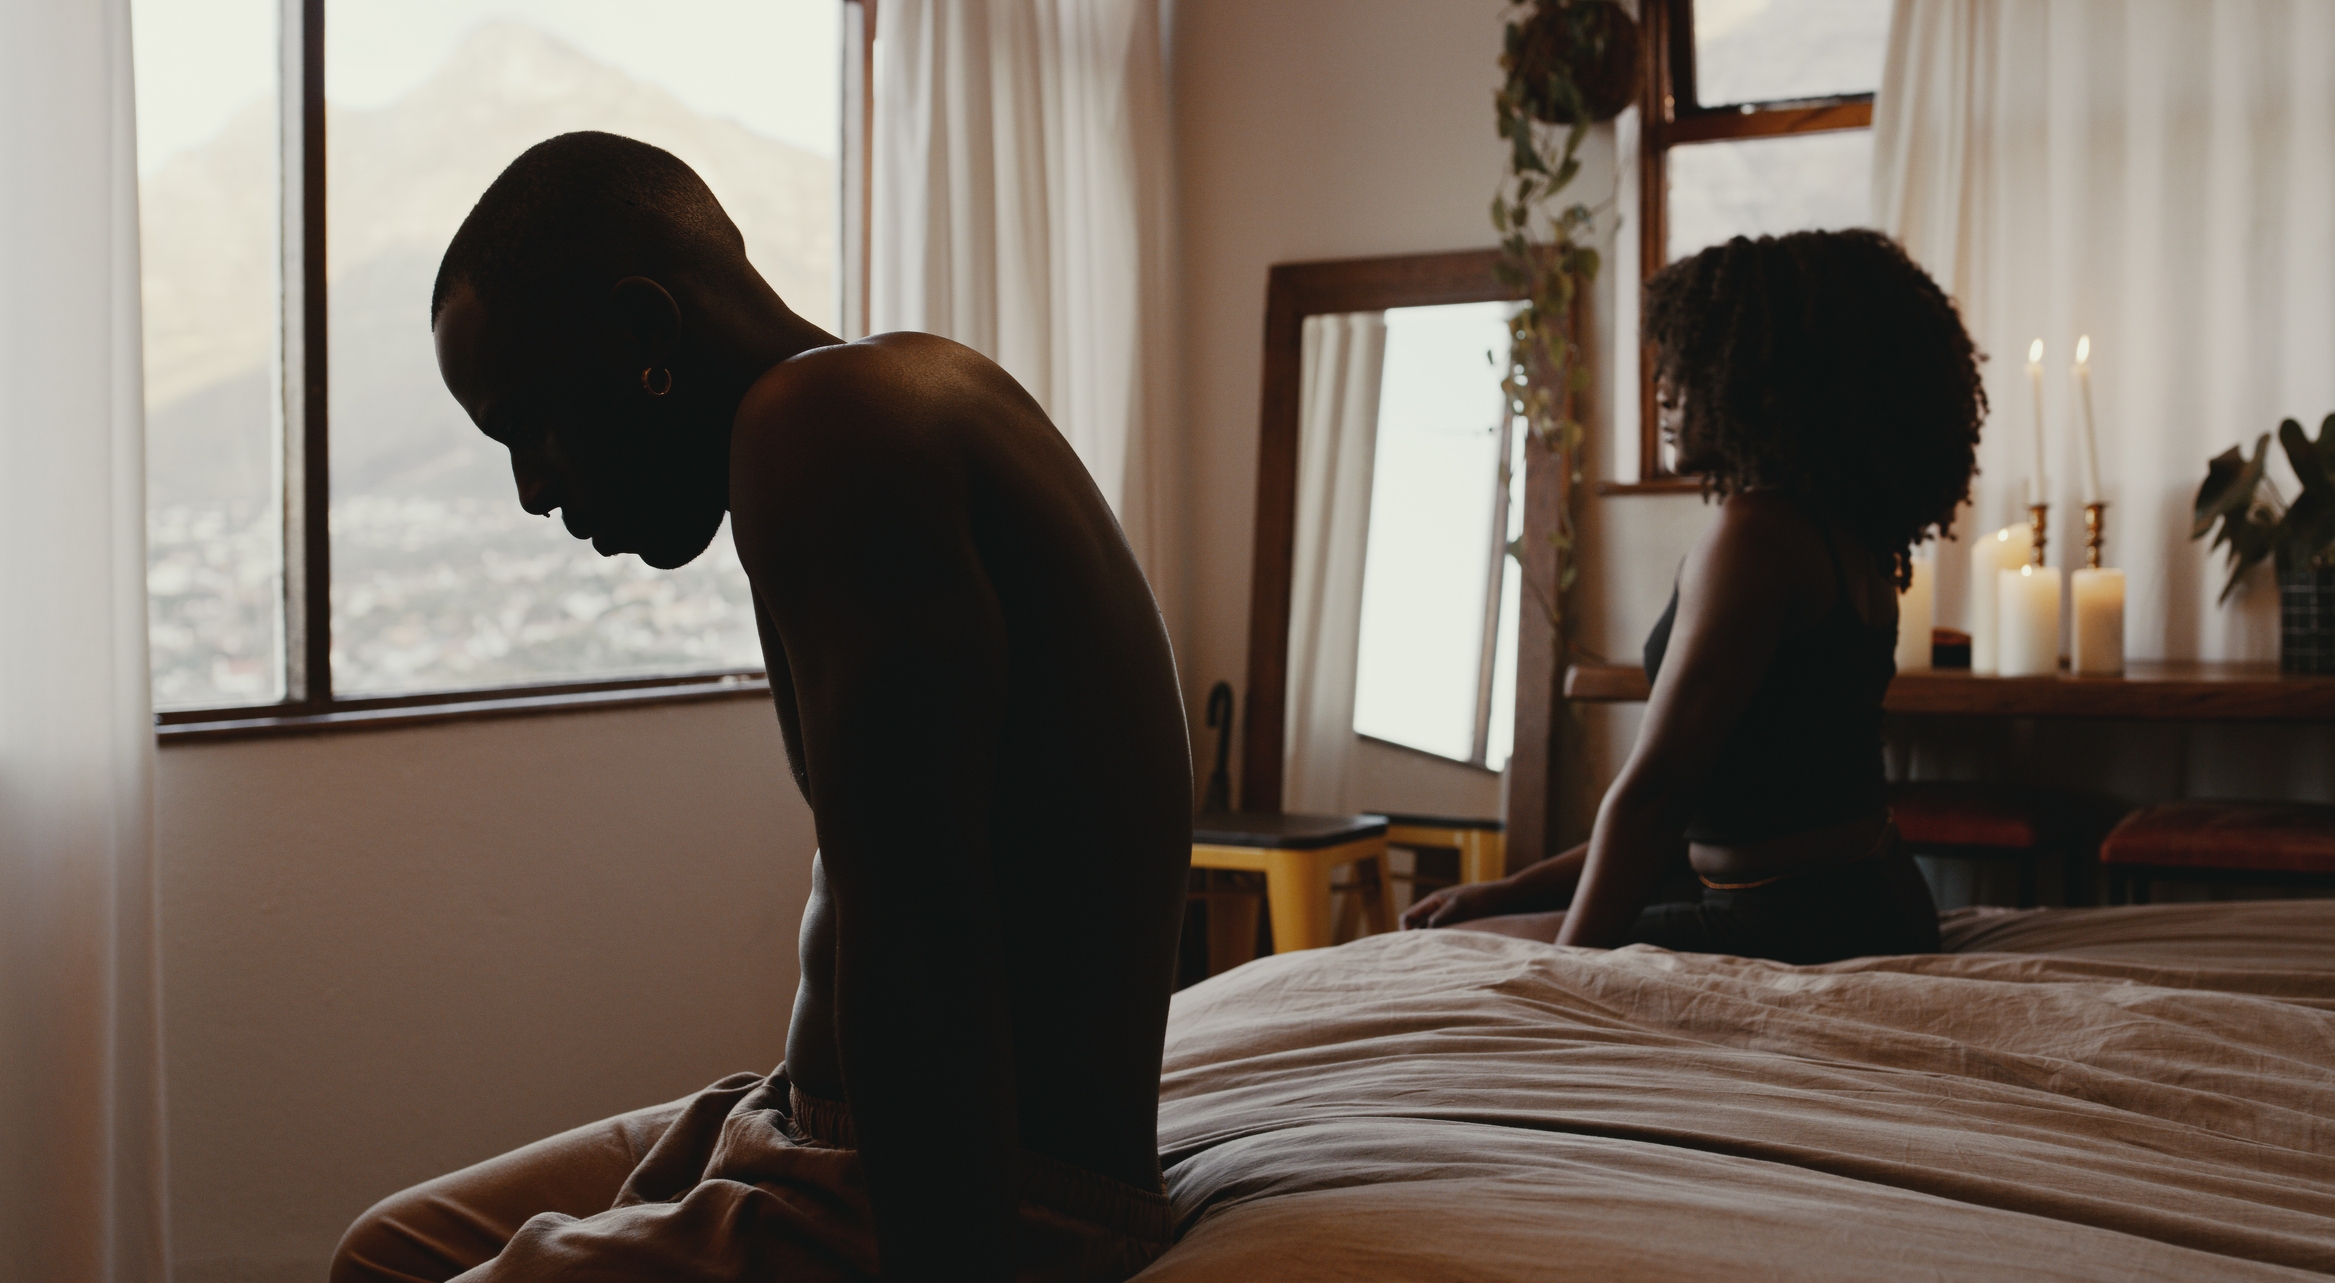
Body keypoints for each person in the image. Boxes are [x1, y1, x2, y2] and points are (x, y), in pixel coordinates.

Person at [329, 133, 1193, 1283]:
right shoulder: (864, 401)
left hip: (941, 1187)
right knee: (386, 1245)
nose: (533, 489)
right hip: (796, 1121)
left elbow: (920, 925)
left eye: (532, 421)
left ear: (645, 339)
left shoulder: (830, 423)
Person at [1404, 228, 1980, 965]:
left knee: (1443, 953)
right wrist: (1508, 890)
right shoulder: (1848, 534)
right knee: (1473, 926)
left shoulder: (1755, 535)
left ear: (1767, 375)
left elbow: (1655, 796)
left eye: (1690, 361)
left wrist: (1566, 977)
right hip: (1873, 905)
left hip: (1786, 927)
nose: (1663, 387)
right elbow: (1713, 810)